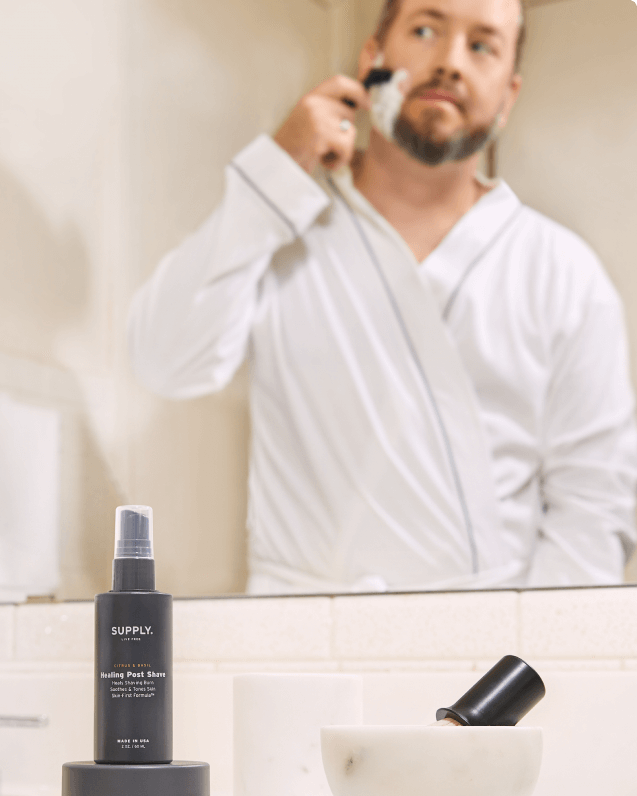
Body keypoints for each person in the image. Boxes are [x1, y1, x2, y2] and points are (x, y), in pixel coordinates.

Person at [128, 0, 637, 594]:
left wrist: (529, 661)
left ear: (508, 95)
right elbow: (162, 363)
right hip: (297, 645)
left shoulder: (562, 272)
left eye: (482, 46)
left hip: (489, 658)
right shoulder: (281, 231)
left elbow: (594, 506)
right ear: (372, 58)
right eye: (425, 30)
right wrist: (276, 172)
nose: (449, 62)